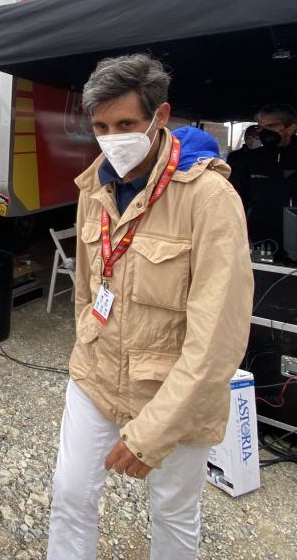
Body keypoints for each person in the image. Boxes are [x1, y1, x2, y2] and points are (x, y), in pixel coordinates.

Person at [47, 55, 253, 560]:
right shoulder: (93, 187)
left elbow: (217, 340)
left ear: (160, 118)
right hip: (94, 375)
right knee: (70, 495)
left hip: (172, 389)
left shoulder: (209, 197)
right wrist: (86, 346)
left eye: (125, 125)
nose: (112, 137)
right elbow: (87, 288)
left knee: (173, 510)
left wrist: (154, 432)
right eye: (100, 126)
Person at [227, 104, 297, 254]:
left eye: (272, 126)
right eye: (261, 127)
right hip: (258, 240)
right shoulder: (246, 161)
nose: (265, 132)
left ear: (291, 128)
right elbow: (235, 201)